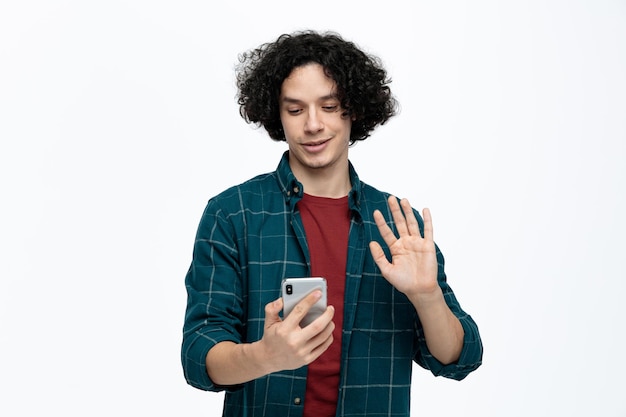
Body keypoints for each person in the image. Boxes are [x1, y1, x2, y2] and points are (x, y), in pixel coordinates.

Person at [181, 30, 483, 417]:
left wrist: (427, 296)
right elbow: (199, 352)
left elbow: (460, 358)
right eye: (295, 110)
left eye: (328, 106)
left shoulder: (397, 228)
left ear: (353, 110)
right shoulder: (233, 213)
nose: (312, 125)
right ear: (277, 114)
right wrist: (264, 356)